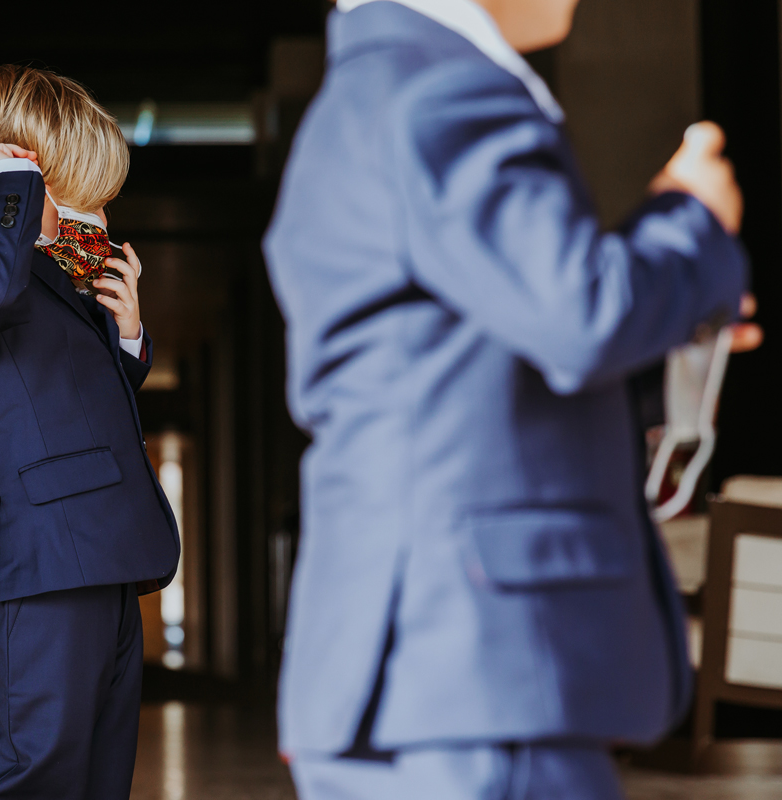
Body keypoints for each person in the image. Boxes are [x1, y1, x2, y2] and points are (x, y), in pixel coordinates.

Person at [263, 0, 756, 796]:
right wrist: (691, 225)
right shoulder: (443, 90)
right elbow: (581, 315)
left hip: (416, 668)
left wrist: (671, 304)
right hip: (483, 665)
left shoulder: (369, 94)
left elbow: (478, 356)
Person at [0, 65, 180, 799]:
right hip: (43, 559)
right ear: (15, 179)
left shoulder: (55, 280)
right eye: (82, 200)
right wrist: (11, 191)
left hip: (108, 555)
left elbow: (81, 406)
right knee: (34, 772)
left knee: (97, 772)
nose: (95, 219)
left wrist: (125, 338)